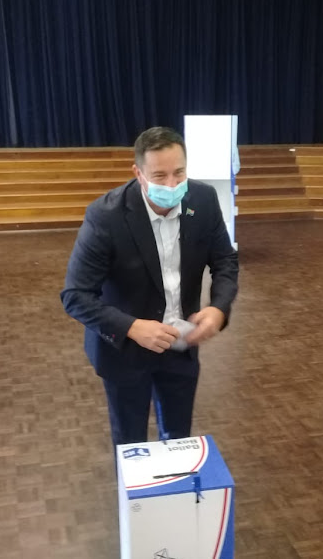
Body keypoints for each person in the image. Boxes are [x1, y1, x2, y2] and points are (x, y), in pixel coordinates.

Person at [61, 127, 239, 447]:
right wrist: (130, 327)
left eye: (179, 172)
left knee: (178, 439)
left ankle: (174, 492)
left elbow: (225, 261)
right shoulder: (106, 216)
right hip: (124, 351)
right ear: (138, 173)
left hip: (182, 344)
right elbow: (75, 296)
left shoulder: (204, 199)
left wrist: (218, 307)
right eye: (159, 176)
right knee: (132, 444)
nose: (172, 185)